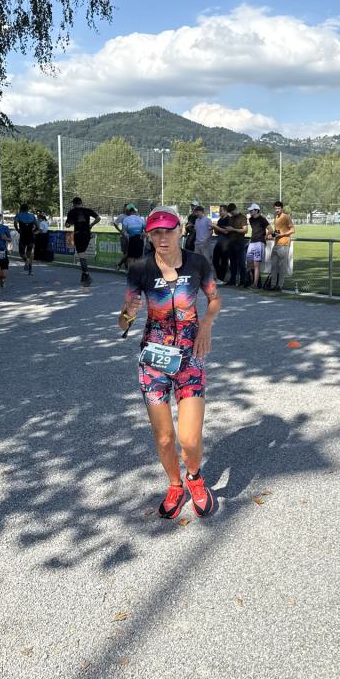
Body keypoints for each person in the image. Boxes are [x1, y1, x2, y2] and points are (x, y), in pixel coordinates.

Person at [118, 206, 221, 519]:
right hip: (154, 360)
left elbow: (214, 299)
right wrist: (129, 312)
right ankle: (175, 485)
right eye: (156, 233)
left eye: (168, 231)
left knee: (189, 438)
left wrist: (206, 326)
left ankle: (195, 478)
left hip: (190, 358)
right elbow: (123, 322)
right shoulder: (140, 268)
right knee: (164, 438)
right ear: (149, 236)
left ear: (180, 231)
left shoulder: (198, 263)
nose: (163, 238)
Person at [64, 196, 100, 286]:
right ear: (81, 203)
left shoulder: (71, 212)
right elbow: (98, 218)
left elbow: (67, 225)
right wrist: (91, 225)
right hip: (87, 234)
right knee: (82, 253)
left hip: (78, 234)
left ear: (73, 204)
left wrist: (70, 223)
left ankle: (86, 275)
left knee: (81, 255)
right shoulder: (87, 210)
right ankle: (84, 277)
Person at [265, 201, 295, 292]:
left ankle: (280, 286)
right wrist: (271, 236)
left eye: (278, 208)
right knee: (274, 267)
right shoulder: (276, 218)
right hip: (276, 244)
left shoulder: (286, 217)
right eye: (275, 208)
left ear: (282, 208)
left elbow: (293, 230)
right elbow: (277, 232)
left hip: (284, 245)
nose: (277, 210)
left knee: (282, 267)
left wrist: (282, 234)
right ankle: (273, 285)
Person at [246, 203, 269, 288]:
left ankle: (255, 284)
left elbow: (270, 229)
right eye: (250, 210)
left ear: (256, 211)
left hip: (259, 243)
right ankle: (252, 281)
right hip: (252, 242)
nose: (250, 212)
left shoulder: (263, 219)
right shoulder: (251, 219)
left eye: (251, 210)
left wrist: (265, 237)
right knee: (249, 263)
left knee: (256, 264)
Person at [226, 203, 249, 286]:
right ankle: (232, 280)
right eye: (230, 213)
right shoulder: (231, 218)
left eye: (232, 212)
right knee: (232, 263)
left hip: (239, 242)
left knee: (241, 263)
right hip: (231, 242)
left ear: (235, 209)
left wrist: (233, 229)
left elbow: (245, 230)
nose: (231, 214)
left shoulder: (242, 217)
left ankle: (243, 280)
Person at [13, 202, 38, 275]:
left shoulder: (19, 215)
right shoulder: (32, 216)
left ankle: (26, 260)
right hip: (31, 236)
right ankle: (30, 270)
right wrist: (33, 231)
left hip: (23, 235)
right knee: (29, 253)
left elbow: (15, 223)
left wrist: (17, 229)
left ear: (21, 209)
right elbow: (38, 226)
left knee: (21, 252)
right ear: (27, 209)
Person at [212, 205, 232, 282]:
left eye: (221, 211)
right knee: (215, 260)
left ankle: (221, 278)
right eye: (219, 211)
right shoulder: (220, 220)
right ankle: (219, 277)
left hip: (226, 243)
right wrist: (214, 228)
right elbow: (217, 232)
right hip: (219, 242)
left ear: (226, 211)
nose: (219, 212)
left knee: (224, 261)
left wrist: (216, 227)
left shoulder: (229, 219)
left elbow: (226, 231)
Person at [113, 205, 130, 269]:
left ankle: (119, 264)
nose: (126, 210)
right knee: (125, 252)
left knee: (129, 252)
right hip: (124, 237)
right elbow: (115, 223)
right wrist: (120, 231)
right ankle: (126, 267)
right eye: (125, 208)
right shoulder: (121, 216)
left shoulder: (133, 215)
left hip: (132, 237)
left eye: (128, 208)